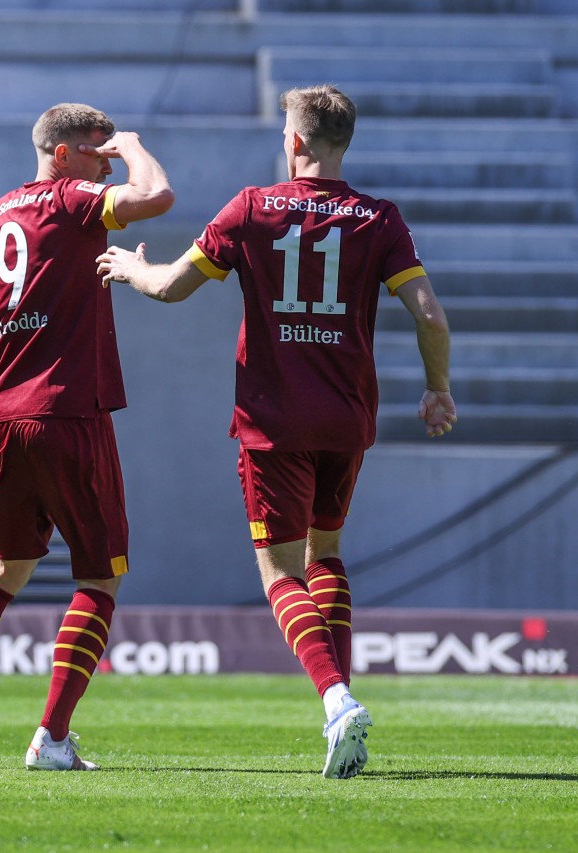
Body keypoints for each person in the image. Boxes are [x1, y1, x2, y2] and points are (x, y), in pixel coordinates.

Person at [96, 84, 456, 779]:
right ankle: (341, 711)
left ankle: (338, 698)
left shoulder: (254, 207)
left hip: (273, 421)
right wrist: (438, 388)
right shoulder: (379, 219)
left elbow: (172, 286)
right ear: (343, 142)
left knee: (279, 571)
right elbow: (431, 315)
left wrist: (132, 267)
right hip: (347, 418)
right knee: (327, 554)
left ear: (294, 142)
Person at [0, 103, 174, 771]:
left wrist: (6, 363)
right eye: (97, 149)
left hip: (6, 417)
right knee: (99, 576)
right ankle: (51, 739)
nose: (105, 159)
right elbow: (158, 196)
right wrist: (136, 147)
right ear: (63, 155)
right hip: (68, 415)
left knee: (8, 567)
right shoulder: (73, 199)